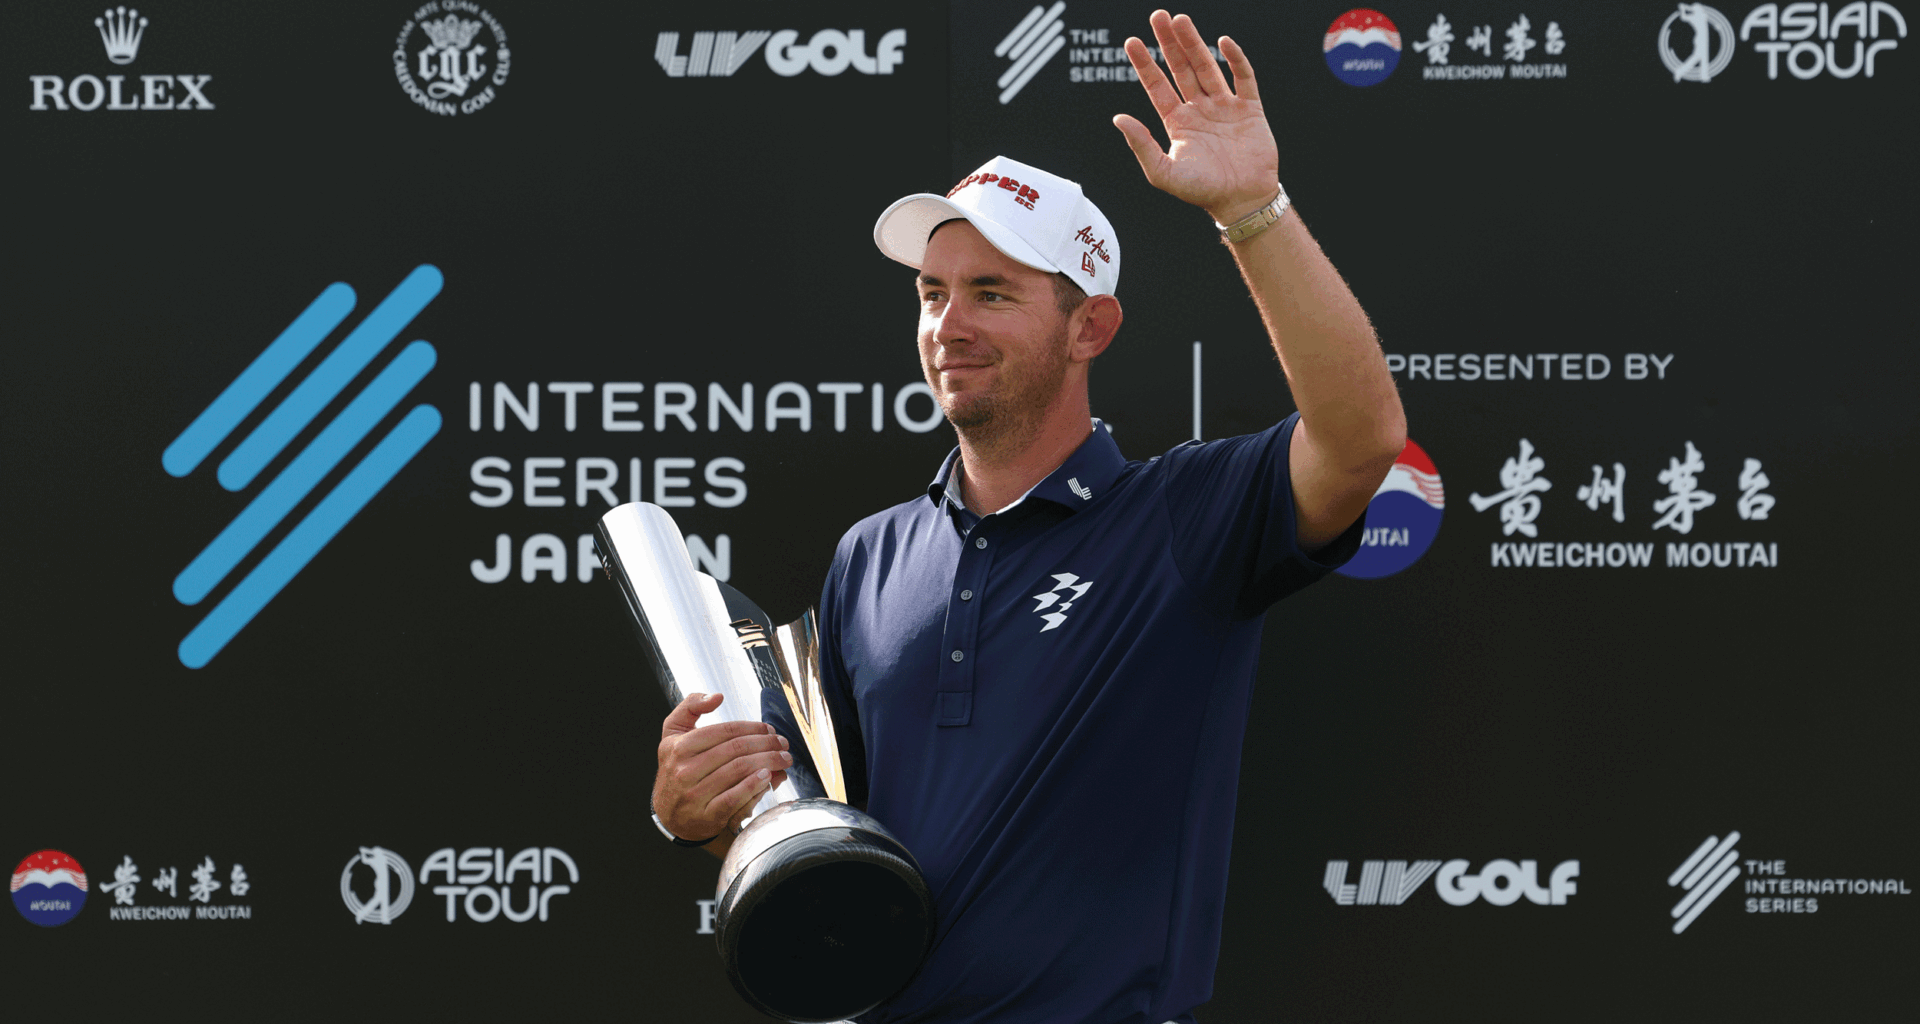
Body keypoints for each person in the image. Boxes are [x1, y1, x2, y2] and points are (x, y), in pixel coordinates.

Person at [649, 10, 1406, 1023]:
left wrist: (1252, 207)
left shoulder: (1182, 519)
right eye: (931, 294)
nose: (946, 326)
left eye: (992, 294)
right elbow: (821, 831)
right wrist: (703, 813)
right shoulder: (870, 555)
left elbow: (1360, 440)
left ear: (1089, 324)